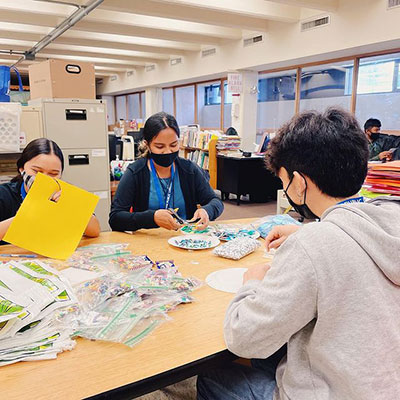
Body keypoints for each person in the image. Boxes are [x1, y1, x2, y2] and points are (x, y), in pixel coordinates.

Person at [197, 108, 400, 400]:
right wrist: (310, 232)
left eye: (284, 182)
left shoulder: (311, 248)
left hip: (331, 392)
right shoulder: (390, 216)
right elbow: (349, 244)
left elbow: (244, 338)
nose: (286, 189)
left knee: (214, 378)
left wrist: (251, 283)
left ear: (300, 183)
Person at [109, 112, 223, 232]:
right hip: (150, 242)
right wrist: (151, 218)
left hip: (186, 239)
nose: (168, 151)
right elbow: (115, 218)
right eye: (159, 147)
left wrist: (206, 211)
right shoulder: (135, 173)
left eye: (173, 145)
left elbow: (216, 202)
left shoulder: (188, 170)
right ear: (147, 145)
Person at [0, 138, 100, 244]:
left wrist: (73, 206)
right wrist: (23, 218)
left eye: (53, 174)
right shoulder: (5, 194)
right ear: (22, 169)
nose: (44, 178)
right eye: (37, 171)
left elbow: (95, 231)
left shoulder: (64, 192)